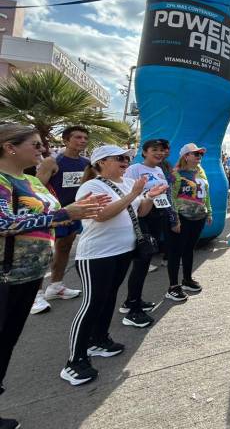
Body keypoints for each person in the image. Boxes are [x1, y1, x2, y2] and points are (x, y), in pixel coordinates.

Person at [0, 125, 106, 426]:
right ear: (10, 147)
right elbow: (4, 222)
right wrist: (64, 215)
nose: (43, 150)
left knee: (7, 343)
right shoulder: (2, 179)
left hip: (30, 274)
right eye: (35, 145)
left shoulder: (31, 179)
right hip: (5, 276)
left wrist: (74, 210)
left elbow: (58, 209)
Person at [61, 145, 167, 386]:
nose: (125, 161)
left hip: (122, 251)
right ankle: (74, 360)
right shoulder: (92, 186)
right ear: (100, 162)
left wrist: (149, 196)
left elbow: (140, 211)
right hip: (96, 255)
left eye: (127, 158)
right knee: (92, 303)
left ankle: (99, 340)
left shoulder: (128, 183)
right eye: (119, 158)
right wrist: (134, 194)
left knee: (108, 299)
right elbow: (100, 215)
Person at [32, 125, 91, 315]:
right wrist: (54, 213)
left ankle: (56, 286)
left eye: (85, 138)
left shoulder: (86, 163)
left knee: (64, 247)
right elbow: (36, 189)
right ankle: (35, 295)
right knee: (44, 253)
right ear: (65, 140)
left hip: (73, 214)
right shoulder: (52, 161)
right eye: (78, 137)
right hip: (53, 216)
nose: (82, 141)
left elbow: (84, 188)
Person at [122, 138, 177, 319]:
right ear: (144, 152)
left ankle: (133, 299)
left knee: (145, 261)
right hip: (141, 217)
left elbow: (164, 195)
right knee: (141, 260)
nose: (159, 153)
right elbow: (128, 194)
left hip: (157, 216)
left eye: (162, 150)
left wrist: (171, 217)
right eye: (155, 149)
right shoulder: (135, 169)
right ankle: (132, 307)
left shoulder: (159, 170)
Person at [164, 144, 212, 302]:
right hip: (182, 217)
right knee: (175, 251)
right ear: (186, 156)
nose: (199, 156)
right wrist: (174, 218)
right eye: (195, 153)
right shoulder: (176, 173)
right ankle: (173, 286)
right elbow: (170, 197)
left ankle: (187, 279)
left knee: (189, 249)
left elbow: (206, 194)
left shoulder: (201, 171)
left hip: (199, 216)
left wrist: (209, 212)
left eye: (200, 154)